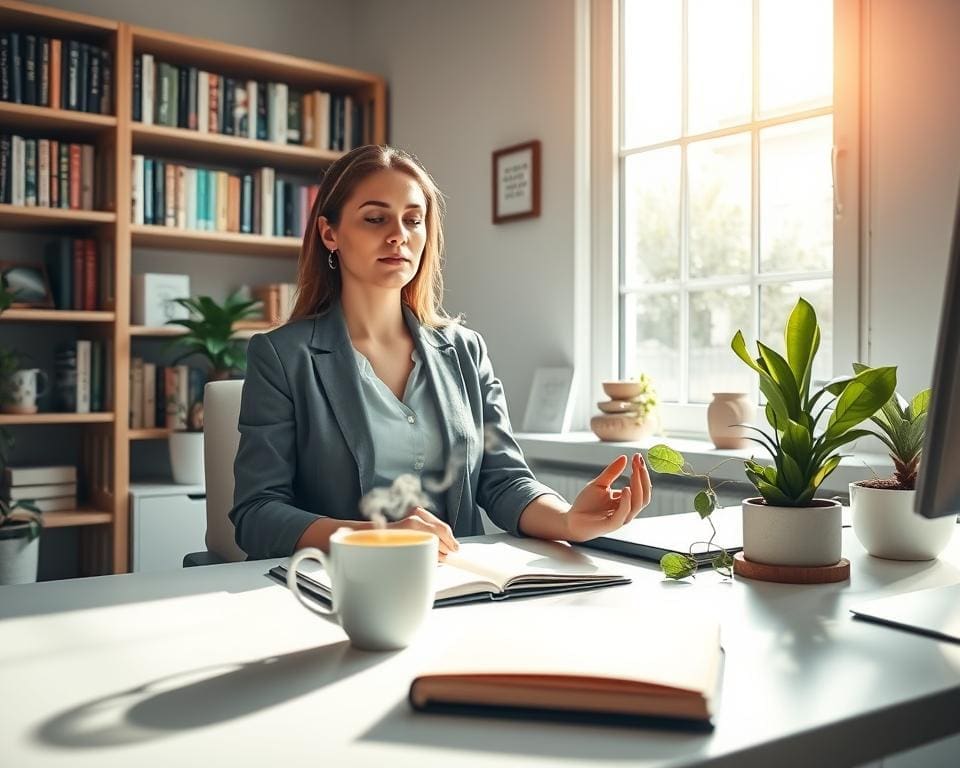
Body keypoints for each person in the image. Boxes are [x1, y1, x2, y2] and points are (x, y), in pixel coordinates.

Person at [230, 144, 652, 560]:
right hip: (340, 590)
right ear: (329, 233)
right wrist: (380, 537)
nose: (398, 235)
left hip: (458, 587)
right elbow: (257, 514)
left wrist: (567, 520)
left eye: (413, 220)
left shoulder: (465, 350)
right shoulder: (282, 357)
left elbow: (502, 480)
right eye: (375, 218)